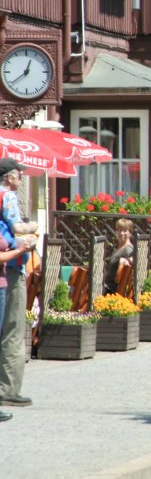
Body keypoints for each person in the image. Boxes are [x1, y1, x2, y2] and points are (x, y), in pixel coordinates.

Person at [0, 158, 38, 410]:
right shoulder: (8, 197)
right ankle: (8, 388)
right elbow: (17, 227)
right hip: (11, 267)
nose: (22, 179)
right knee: (13, 328)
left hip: (7, 266)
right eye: (20, 175)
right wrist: (33, 227)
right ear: (10, 177)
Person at [102, 218, 134, 296]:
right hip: (106, 285)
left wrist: (127, 261)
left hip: (111, 290)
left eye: (125, 230)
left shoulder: (128, 250)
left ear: (130, 233)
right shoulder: (120, 248)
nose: (121, 233)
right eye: (119, 230)